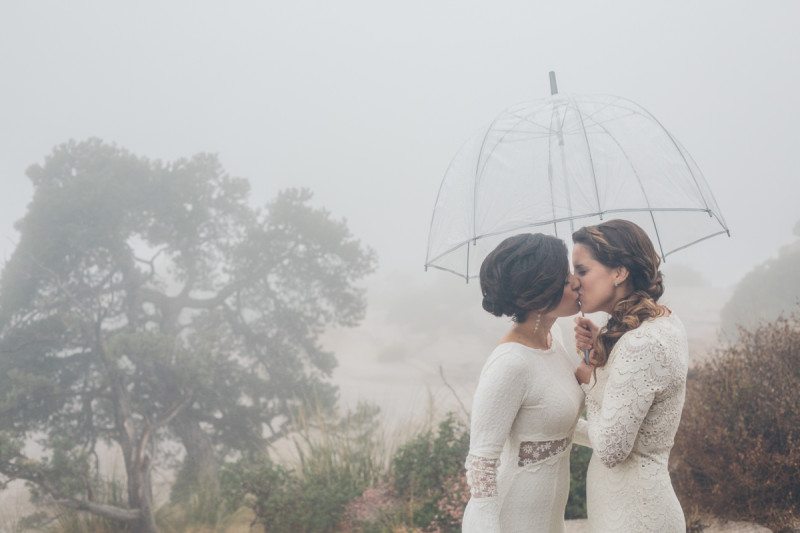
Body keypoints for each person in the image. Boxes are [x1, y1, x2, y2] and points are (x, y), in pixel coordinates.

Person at [571, 219, 688, 532]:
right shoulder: (658, 325)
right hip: (623, 511)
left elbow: (611, 449)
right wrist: (606, 350)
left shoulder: (642, 343)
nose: (574, 282)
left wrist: (589, 380)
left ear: (619, 272)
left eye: (582, 270)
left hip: (637, 517)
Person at [462, 233, 583, 533]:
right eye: (566, 277)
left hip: (551, 520)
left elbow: (558, 424)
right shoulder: (510, 364)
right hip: (510, 520)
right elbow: (481, 465)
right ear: (542, 293)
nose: (576, 282)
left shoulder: (556, 344)